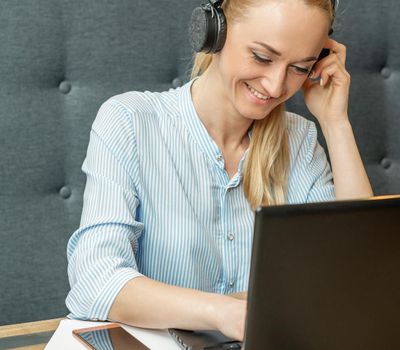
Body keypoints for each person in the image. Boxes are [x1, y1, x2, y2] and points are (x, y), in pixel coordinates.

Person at [66, 0, 373, 342]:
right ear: (215, 32)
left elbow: (360, 271)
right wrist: (220, 311)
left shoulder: (299, 139)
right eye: (262, 57)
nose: (275, 87)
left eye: (299, 68)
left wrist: (335, 122)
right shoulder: (130, 122)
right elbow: (96, 280)